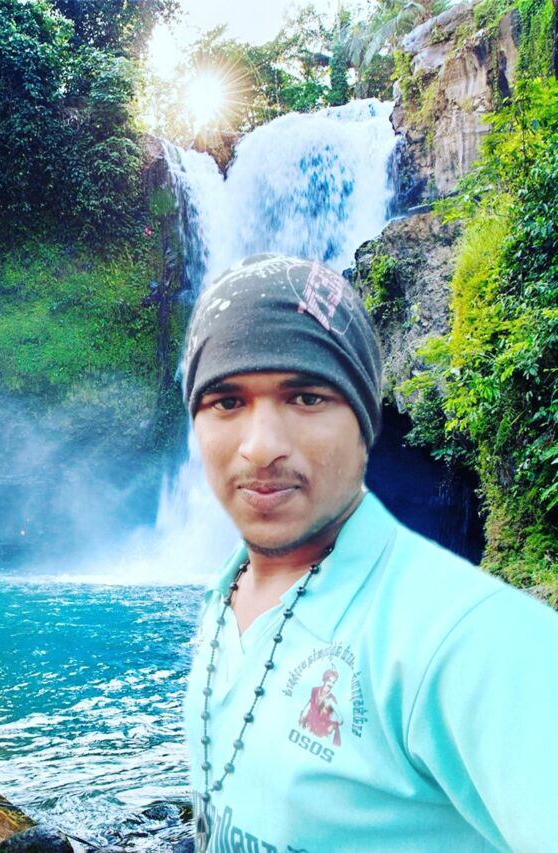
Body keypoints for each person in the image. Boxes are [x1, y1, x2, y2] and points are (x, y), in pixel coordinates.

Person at [181, 253, 558, 853]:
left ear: (364, 425)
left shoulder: (479, 642)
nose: (261, 447)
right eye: (226, 401)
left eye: (307, 397)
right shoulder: (223, 598)